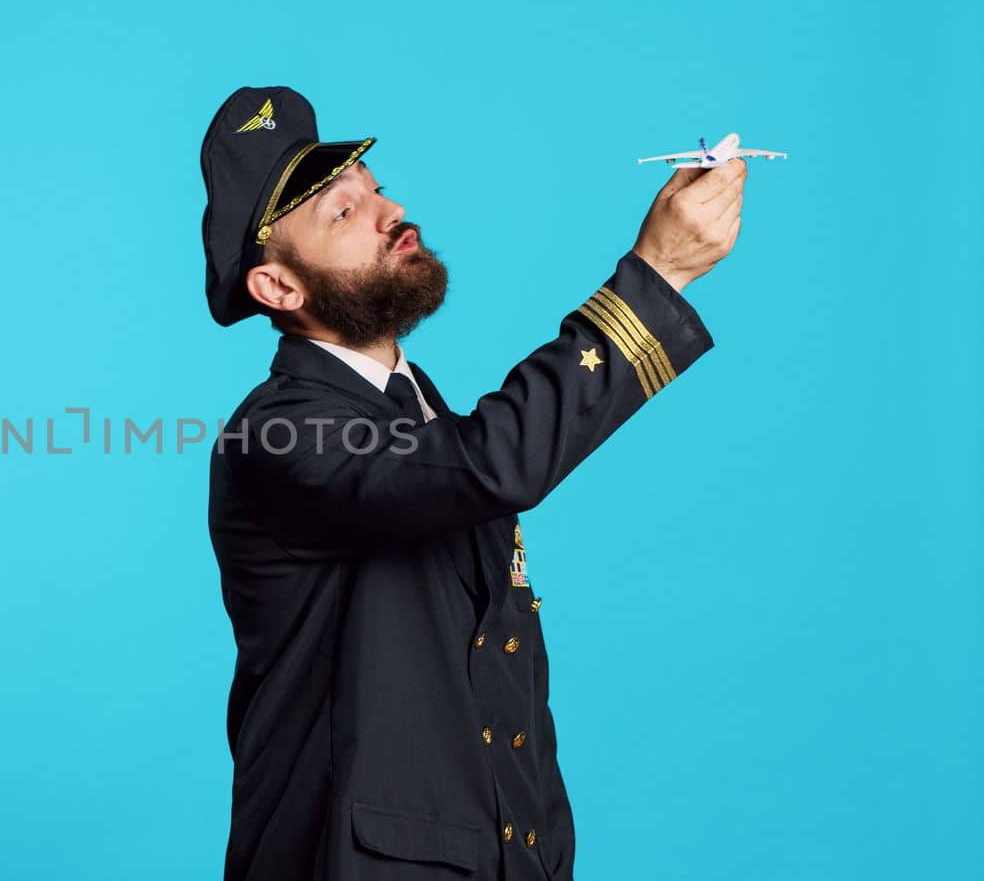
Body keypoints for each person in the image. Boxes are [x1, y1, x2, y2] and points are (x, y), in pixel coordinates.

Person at [199, 86, 744, 881]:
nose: (391, 212)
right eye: (341, 214)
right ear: (280, 288)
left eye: (375, 189)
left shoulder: (421, 418)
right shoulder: (275, 434)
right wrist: (655, 279)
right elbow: (494, 464)